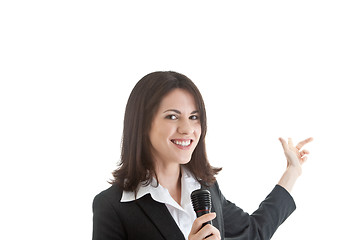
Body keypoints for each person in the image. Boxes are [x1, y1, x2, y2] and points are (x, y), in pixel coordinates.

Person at [92, 71, 313, 240]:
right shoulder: (113, 206)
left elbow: (253, 232)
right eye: (172, 116)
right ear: (142, 124)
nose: (187, 129)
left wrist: (292, 172)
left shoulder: (205, 189)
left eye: (194, 117)